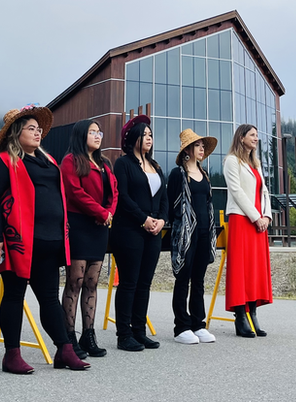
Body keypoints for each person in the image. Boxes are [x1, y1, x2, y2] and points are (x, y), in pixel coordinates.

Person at [0, 105, 89, 374]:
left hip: (50, 241)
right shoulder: (3, 162)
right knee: (14, 296)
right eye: (32, 128)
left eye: (39, 129)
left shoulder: (49, 161)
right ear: (17, 133)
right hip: (19, 241)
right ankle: (12, 355)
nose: (38, 132)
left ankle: (64, 349)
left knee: (50, 299)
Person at [60, 119, 117, 358]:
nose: (97, 135)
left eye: (99, 131)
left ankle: (89, 334)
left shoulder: (104, 163)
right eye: (92, 131)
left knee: (92, 282)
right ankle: (68, 336)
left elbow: (114, 192)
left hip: (100, 226)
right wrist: (101, 212)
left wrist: (109, 213)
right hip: (79, 225)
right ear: (81, 134)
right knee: (76, 281)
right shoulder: (71, 160)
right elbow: (75, 192)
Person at [110, 115, 166, 352]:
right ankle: (124, 334)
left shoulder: (156, 166)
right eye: (144, 135)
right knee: (129, 282)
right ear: (132, 138)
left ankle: (139, 331)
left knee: (145, 282)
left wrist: (162, 220)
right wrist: (143, 219)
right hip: (129, 229)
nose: (149, 139)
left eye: (151, 135)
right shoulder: (123, 164)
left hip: (154, 231)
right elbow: (122, 196)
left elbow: (164, 197)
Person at [167, 129, 218, 345]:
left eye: (203, 146)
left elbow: (208, 203)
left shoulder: (204, 174)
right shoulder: (178, 174)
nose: (202, 149)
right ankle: (181, 327)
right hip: (186, 234)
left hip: (206, 231)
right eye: (198, 145)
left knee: (198, 280)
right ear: (188, 149)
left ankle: (198, 323)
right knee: (183, 278)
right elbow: (172, 206)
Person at [222, 124, 273, 338]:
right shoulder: (231, 161)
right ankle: (240, 316)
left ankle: (253, 313)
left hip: (259, 223)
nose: (257, 138)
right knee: (241, 268)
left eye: (257, 135)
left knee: (254, 268)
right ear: (241, 137)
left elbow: (264, 191)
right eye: (253, 135)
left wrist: (267, 216)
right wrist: (255, 217)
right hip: (242, 220)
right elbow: (236, 191)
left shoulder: (256, 163)